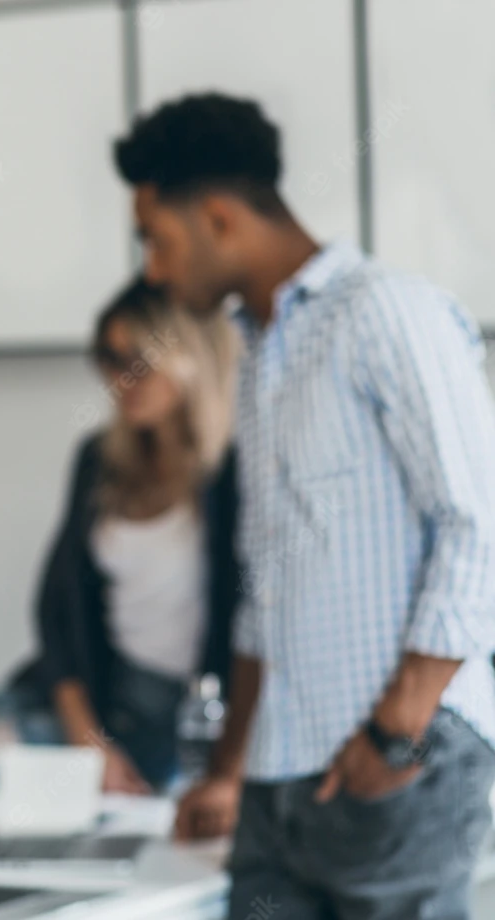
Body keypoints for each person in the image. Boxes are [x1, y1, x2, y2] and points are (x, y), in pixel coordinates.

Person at [116, 92, 495, 919]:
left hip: (394, 768)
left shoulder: (384, 312)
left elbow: (480, 526)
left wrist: (396, 736)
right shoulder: (256, 354)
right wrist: (226, 766)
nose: (152, 269)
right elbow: (266, 596)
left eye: (157, 238)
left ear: (218, 217)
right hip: (278, 777)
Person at [0, 277, 242, 794]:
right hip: (103, 701)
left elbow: (251, 623)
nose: (119, 377)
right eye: (107, 358)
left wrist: (227, 764)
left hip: (197, 717)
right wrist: (89, 739)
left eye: (138, 359)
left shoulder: (233, 474)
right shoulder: (99, 460)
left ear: (190, 356)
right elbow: (57, 608)